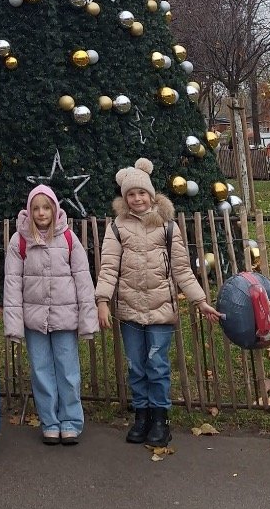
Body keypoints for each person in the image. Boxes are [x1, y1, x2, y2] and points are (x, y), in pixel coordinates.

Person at [95, 158, 223, 446]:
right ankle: (141, 415)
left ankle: (160, 418)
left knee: (156, 365)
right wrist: (102, 300)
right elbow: (109, 267)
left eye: (142, 192)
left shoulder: (167, 227)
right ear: (125, 198)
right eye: (131, 194)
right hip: (129, 310)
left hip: (161, 310)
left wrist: (200, 301)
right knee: (135, 365)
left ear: (151, 195)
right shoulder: (117, 227)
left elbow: (182, 269)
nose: (137, 198)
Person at [3, 184, 98, 445]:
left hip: (65, 317)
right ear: (29, 211)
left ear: (55, 209)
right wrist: (14, 325)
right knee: (41, 371)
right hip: (34, 319)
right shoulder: (19, 240)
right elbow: (12, 283)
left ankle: (70, 421)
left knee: (68, 371)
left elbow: (83, 279)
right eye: (36, 208)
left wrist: (87, 319)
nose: (42, 213)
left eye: (46, 208)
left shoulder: (68, 238)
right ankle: (50, 422)